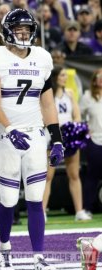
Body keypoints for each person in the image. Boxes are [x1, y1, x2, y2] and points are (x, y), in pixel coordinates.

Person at [0, 9, 63, 270]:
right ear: (7, 32)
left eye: (27, 30)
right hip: (7, 135)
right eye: (19, 30)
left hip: (36, 133)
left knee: (36, 198)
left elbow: (47, 102)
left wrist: (57, 139)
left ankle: (38, 257)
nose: (24, 34)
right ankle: (4, 248)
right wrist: (10, 128)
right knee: (8, 199)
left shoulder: (42, 58)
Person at [42, 66, 91, 222]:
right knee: (48, 176)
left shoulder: (69, 94)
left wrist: (71, 130)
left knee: (74, 175)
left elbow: (76, 116)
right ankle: (41, 212)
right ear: (55, 77)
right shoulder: (46, 95)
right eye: (62, 75)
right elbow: (44, 117)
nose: (65, 78)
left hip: (69, 139)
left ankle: (79, 211)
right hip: (52, 138)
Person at [77, 68, 102, 270]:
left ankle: (93, 246)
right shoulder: (87, 96)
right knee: (92, 177)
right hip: (95, 142)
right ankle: (93, 245)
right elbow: (80, 116)